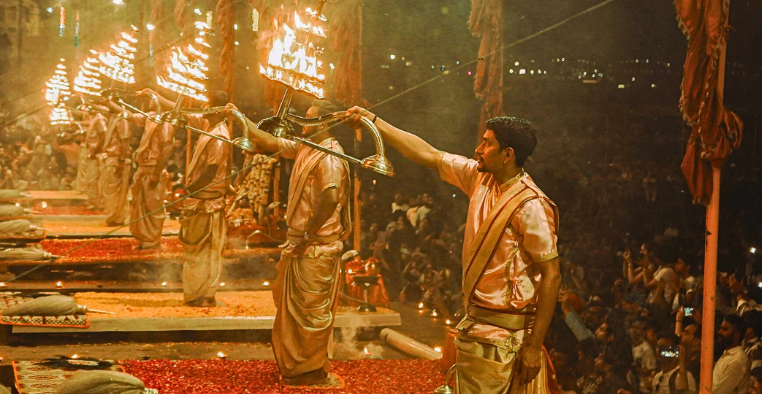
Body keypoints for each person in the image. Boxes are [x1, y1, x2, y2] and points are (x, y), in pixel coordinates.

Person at [343, 108, 560, 394]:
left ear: (507, 155)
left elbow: (552, 276)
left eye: (487, 143)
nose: (478, 149)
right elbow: (428, 154)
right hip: (475, 327)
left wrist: (533, 346)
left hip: (507, 338)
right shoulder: (479, 178)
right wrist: (374, 121)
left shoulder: (531, 205)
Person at [237, 100, 352, 386]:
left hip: (316, 247)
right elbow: (269, 140)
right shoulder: (306, 148)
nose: (303, 124)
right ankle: (298, 367)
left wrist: (309, 235)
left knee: (311, 312)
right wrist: (238, 117)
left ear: (324, 124)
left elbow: (331, 198)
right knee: (294, 310)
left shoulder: (330, 156)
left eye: (309, 120)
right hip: (302, 245)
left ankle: (309, 371)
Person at [177, 93, 233, 307]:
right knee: (195, 250)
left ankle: (204, 295)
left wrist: (189, 189)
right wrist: (156, 98)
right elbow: (182, 111)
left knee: (203, 251)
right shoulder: (206, 125)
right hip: (198, 199)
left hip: (206, 202)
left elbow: (211, 172)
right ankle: (197, 293)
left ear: (217, 111)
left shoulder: (219, 136)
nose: (203, 106)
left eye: (207, 104)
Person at [127, 92, 172, 250]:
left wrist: (156, 173)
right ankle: (144, 239)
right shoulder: (150, 118)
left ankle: (152, 241)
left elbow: (166, 150)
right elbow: (131, 116)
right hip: (143, 168)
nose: (150, 102)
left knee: (153, 207)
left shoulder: (166, 124)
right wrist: (112, 101)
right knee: (140, 205)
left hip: (154, 170)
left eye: (153, 99)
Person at [99, 108, 134, 227]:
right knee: (110, 192)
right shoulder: (114, 118)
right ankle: (113, 216)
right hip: (112, 158)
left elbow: (124, 142)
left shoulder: (122, 119)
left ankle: (117, 217)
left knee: (117, 192)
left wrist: (121, 161)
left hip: (118, 159)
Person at [713, 313, 752, 394]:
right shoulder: (727, 354)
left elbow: (721, 392)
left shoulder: (737, 360)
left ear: (736, 335)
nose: (720, 332)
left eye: (724, 329)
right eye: (720, 328)